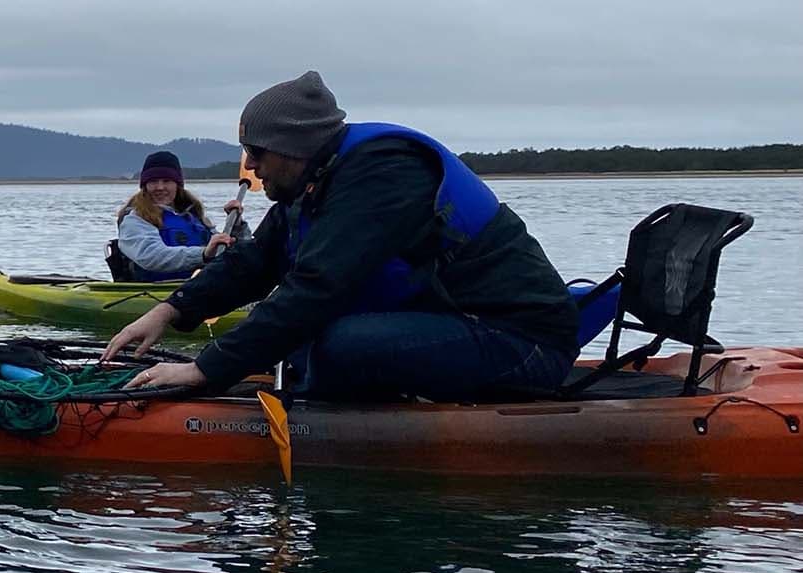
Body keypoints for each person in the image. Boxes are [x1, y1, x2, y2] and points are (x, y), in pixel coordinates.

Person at [101, 71, 580, 402]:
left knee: (338, 343)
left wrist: (206, 370)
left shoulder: (384, 173)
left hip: (521, 343)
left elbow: (318, 286)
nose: (252, 166)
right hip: (459, 326)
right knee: (310, 345)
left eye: (257, 152)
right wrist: (171, 310)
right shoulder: (313, 183)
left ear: (293, 148)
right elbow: (257, 260)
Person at [106, 149, 237, 280]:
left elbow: (233, 252)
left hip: (199, 286)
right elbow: (151, 256)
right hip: (156, 291)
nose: (160, 187)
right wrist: (203, 254)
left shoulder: (195, 216)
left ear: (177, 185)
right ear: (145, 186)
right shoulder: (134, 220)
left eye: (166, 181)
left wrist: (236, 225)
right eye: (153, 181)